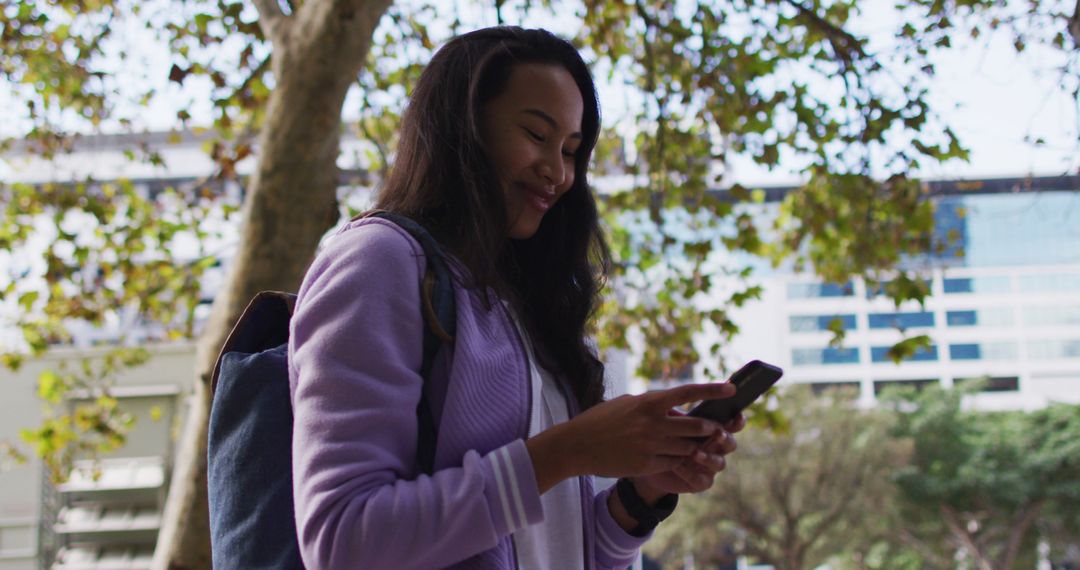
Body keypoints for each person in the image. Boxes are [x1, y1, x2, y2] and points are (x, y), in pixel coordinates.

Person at [288, 26, 745, 570]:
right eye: (535, 134)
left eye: (572, 151)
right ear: (463, 129)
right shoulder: (380, 260)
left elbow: (555, 550)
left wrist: (638, 497)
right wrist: (567, 451)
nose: (558, 171)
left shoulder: (527, 303)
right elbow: (342, 541)